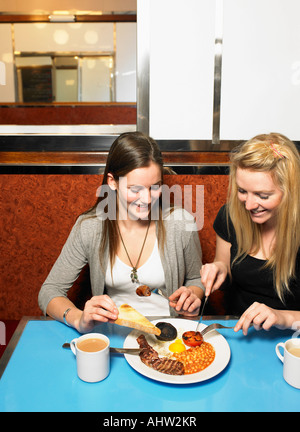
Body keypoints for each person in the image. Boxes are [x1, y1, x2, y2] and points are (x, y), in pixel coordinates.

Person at [38, 132, 204, 333]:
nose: (146, 199)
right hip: (113, 333)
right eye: (135, 189)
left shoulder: (180, 222)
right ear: (112, 181)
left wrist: (193, 295)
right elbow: (49, 291)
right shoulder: (90, 226)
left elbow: (196, 279)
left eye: (155, 187)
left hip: (168, 334)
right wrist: (78, 318)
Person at [200, 133, 300, 335]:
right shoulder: (230, 215)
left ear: (289, 191)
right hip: (238, 330)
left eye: (263, 196)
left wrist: (283, 317)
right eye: (242, 191)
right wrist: (219, 269)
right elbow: (225, 267)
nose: (249, 205)